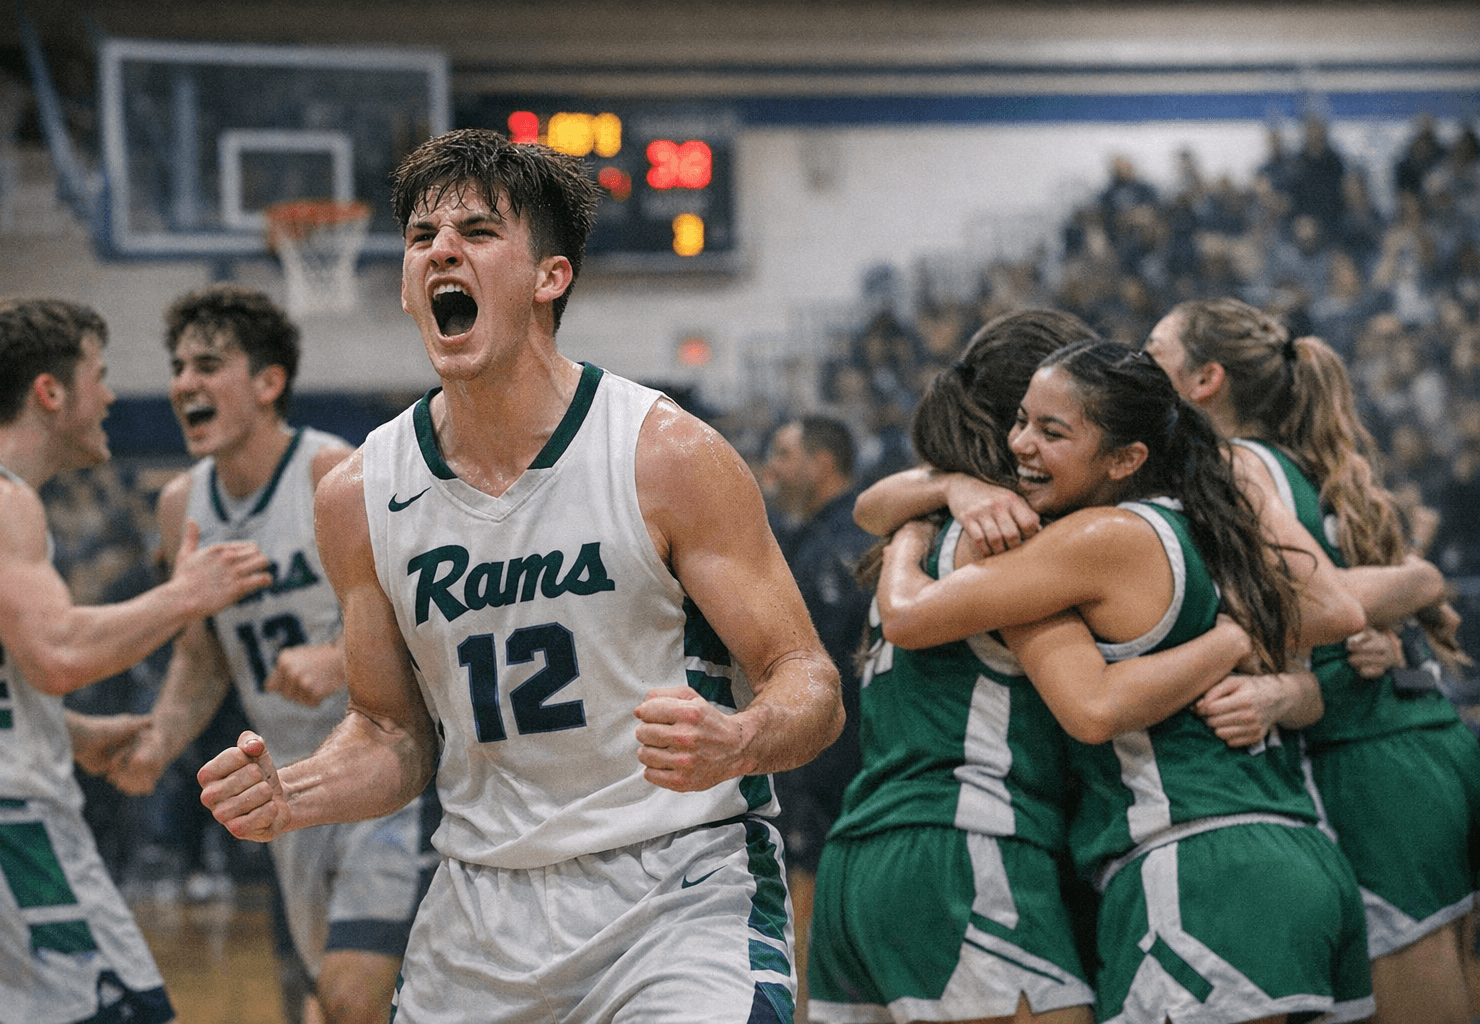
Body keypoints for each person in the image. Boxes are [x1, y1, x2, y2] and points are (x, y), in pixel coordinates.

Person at [197, 127, 843, 1023]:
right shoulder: (358, 495)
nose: (442, 251)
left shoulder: (665, 455)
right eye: (422, 239)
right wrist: (293, 793)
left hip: (676, 890)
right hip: (480, 912)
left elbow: (807, 681)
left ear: (551, 277)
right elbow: (389, 730)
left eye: (477, 231)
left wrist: (739, 741)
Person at [806, 310, 1289, 1024]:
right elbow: (1091, 707)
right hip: (966, 848)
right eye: (1035, 421)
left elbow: (873, 509)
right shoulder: (1020, 538)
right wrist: (1230, 642)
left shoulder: (927, 524)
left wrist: (939, 498)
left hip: (857, 862)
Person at [1145, 297, 1480, 1024]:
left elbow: (1307, 601)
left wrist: (1417, 583)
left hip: (1363, 762)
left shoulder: (1233, 463)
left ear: (1205, 380)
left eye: (1154, 348)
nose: (1138, 362)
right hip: (1422, 743)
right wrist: (1418, 582)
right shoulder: (1309, 458)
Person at [106, 285, 432, 1024]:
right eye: (179, 365)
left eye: (208, 364)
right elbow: (203, 658)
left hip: (380, 770)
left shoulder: (334, 475)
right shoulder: (179, 504)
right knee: (317, 1003)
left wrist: (338, 662)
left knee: (352, 997)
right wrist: (159, 739)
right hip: (280, 785)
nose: (184, 382)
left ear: (268, 383)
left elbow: (431, 623)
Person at [0, 297, 272, 1023]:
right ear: (50, 393)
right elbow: (57, 652)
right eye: (100, 375)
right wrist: (188, 594)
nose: (112, 396)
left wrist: (72, 735)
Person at [761, 413, 873, 1015]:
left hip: (836, 794)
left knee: (823, 980)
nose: (772, 471)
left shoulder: (842, 549)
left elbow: (834, 685)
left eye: (783, 455)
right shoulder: (821, 539)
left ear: (822, 463)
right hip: (846, 792)